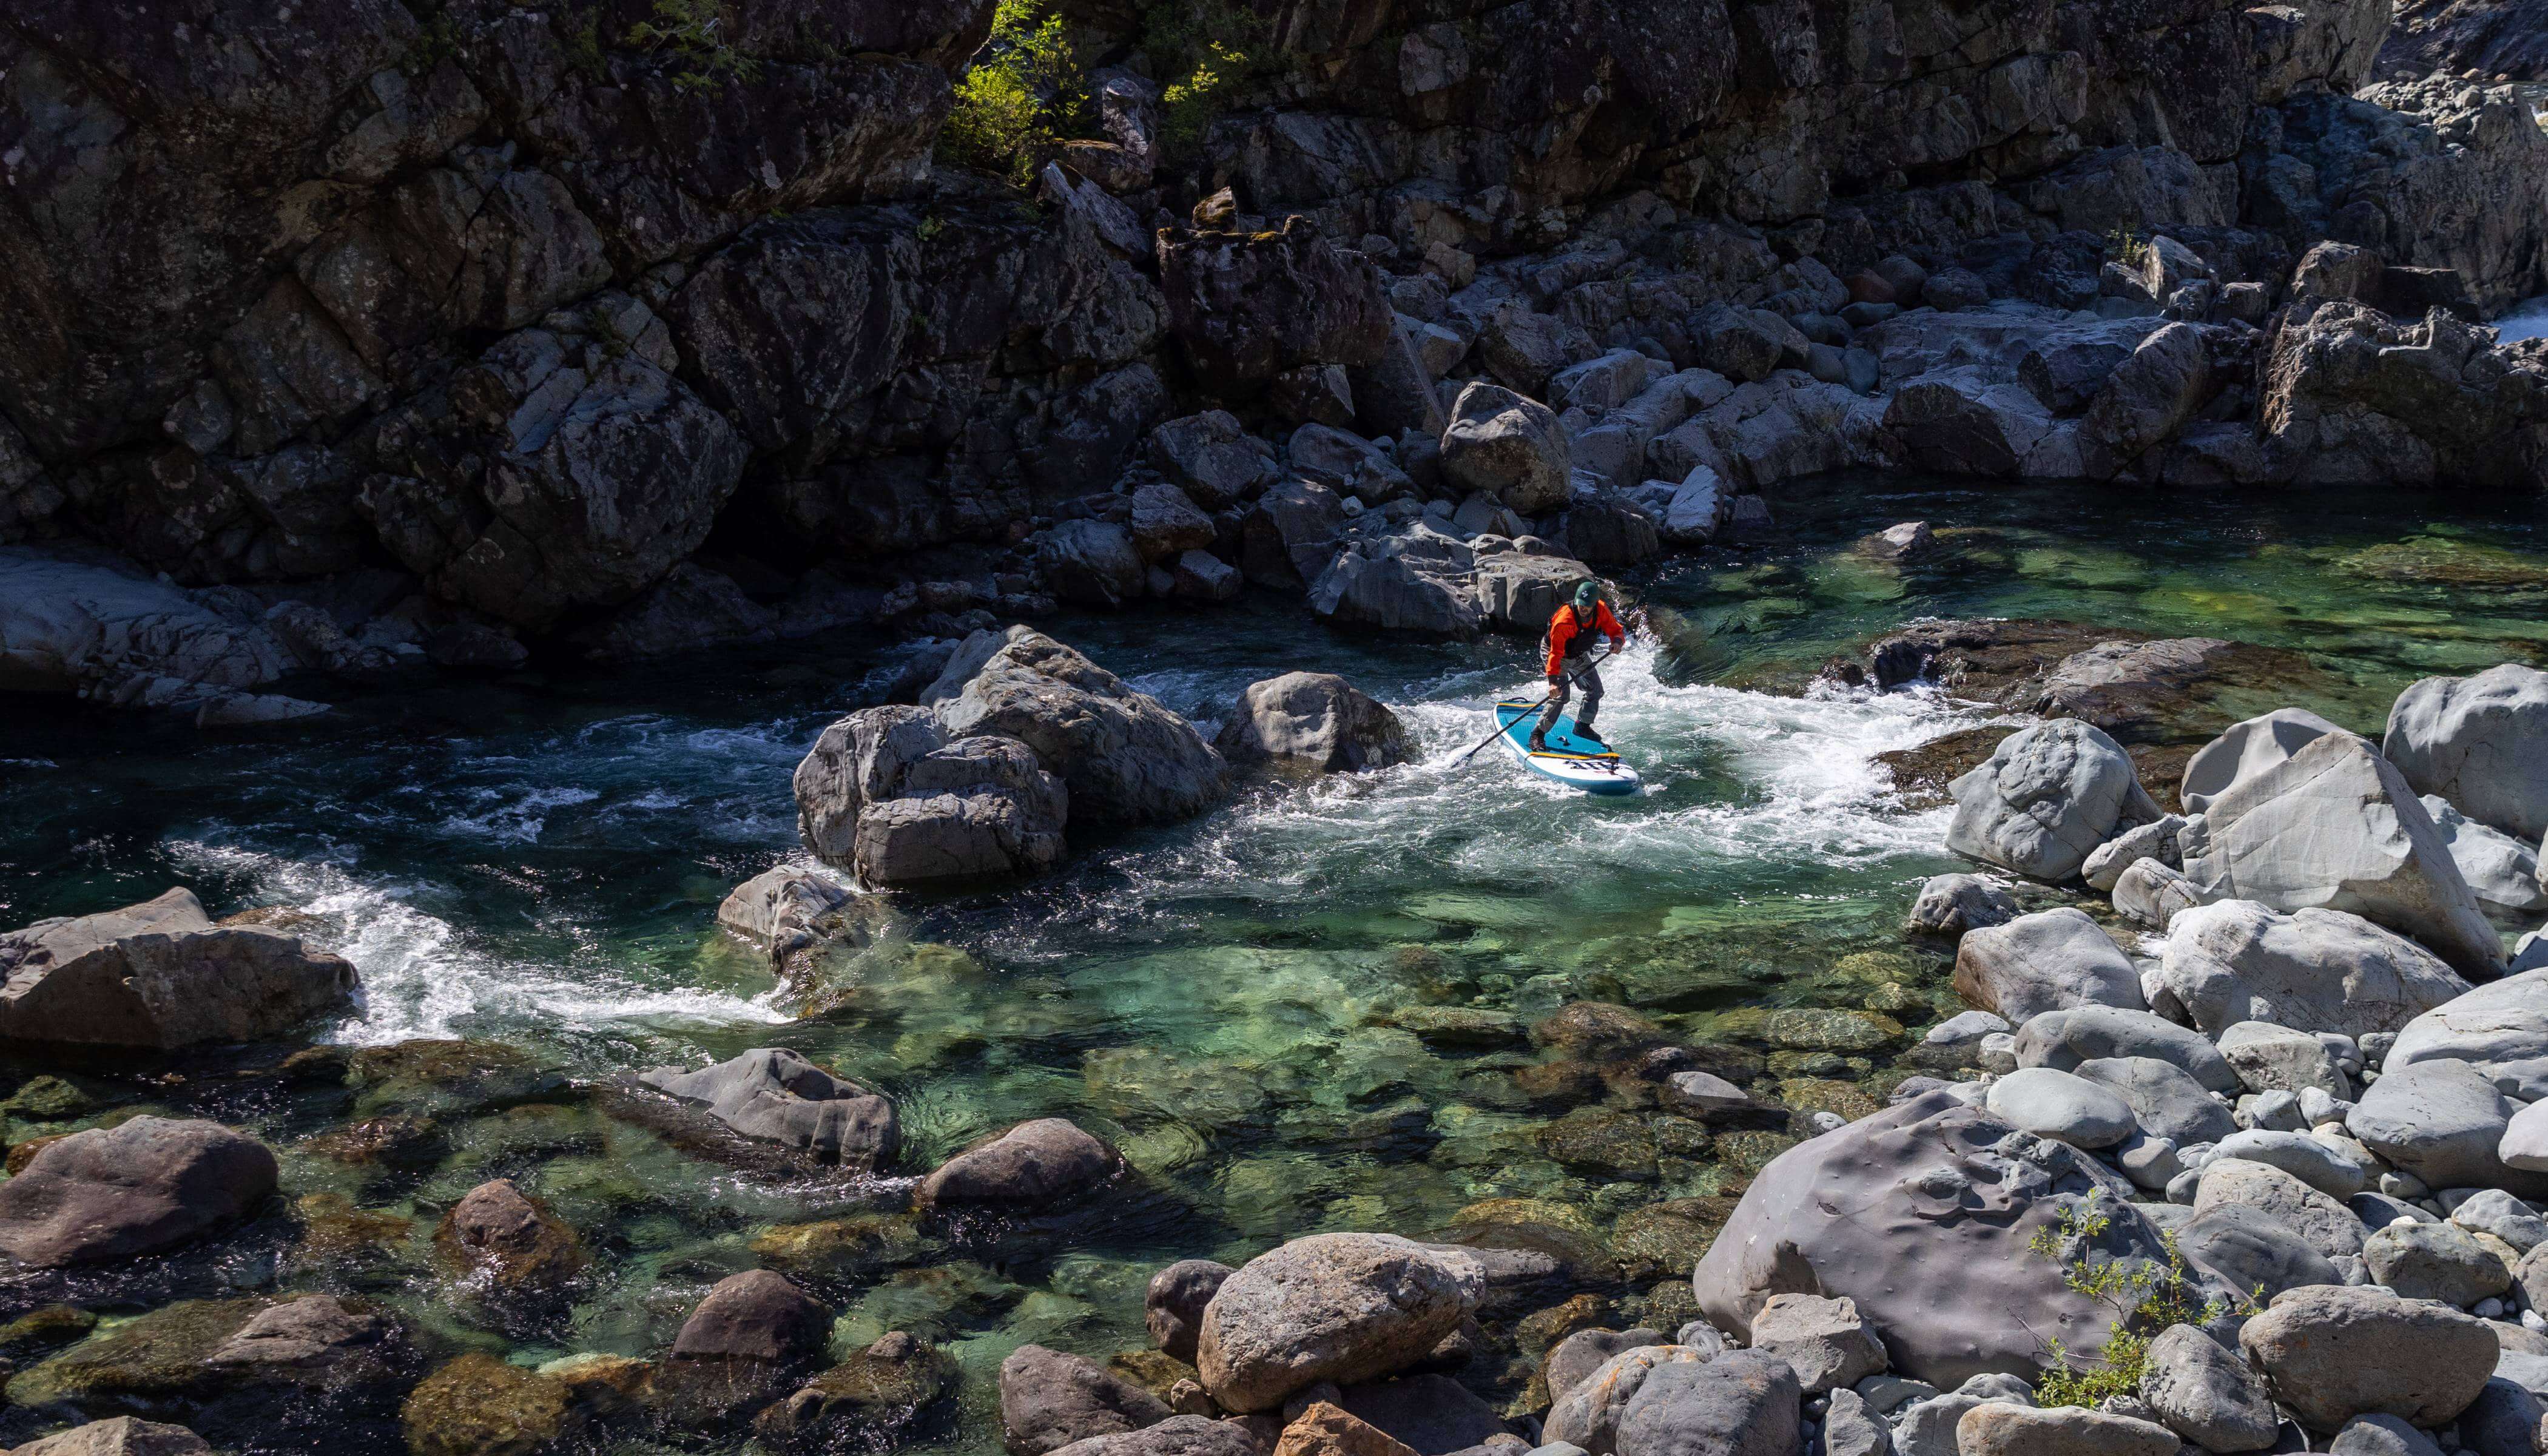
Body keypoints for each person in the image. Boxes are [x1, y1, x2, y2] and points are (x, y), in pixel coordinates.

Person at [1534, 581, 1626, 752]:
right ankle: (1538, 734)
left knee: (1596, 690)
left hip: (1578, 654)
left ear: (1594, 604)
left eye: (1587, 606)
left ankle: (1582, 726)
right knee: (1561, 696)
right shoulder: (1565, 621)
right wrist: (1553, 682)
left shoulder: (1601, 610)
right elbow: (1555, 654)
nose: (1582, 608)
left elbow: (1616, 630)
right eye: (1580, 605)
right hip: (1557, 654)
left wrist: (1617, 642)